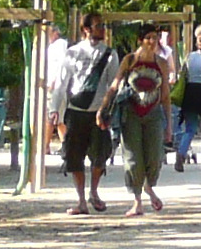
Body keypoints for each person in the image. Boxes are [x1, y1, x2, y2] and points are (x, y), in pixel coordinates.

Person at [49, 12, 119, 217]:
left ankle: (94, 192)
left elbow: (112, 85)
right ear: (86, 30)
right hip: (76, 111)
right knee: (74, 156)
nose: (102, 29)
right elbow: (62, 83)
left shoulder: (110, 54)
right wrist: (54, 108)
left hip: (98, 112)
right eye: (98, 26)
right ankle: (80, 200)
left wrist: (108, 111)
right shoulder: (73, 53)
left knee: (100, 154)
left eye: (103, 26)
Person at [118, 28, 172, 215]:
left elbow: (165, 95)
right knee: (133, 159)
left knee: (155, 156)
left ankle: (149, 187)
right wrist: (105, 108)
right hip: (131, 113)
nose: (152, 41)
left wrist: (169, 126)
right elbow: (116, 84)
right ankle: (137, 200)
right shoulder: (129, 60)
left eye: (155, 38)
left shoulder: (162, 63)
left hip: (154, 113)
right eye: (148, 38)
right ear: (140, 40)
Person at [175, 25, 201, 171]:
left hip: (190, 93)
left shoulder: (189, 57)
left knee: (190, 128)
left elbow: (183, 75)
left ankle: (180, 153)